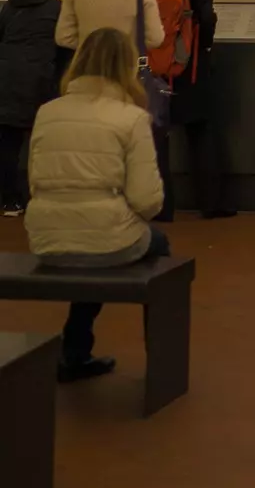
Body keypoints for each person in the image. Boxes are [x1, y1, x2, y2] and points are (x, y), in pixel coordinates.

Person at [25, 27, 170, 383]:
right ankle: (163, 359)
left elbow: (33, 182)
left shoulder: (47, 112)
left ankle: (76, 351)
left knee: (90, 239)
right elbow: (148, 202)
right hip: (107, 240)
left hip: (46, 239)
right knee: (156, 244)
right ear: (125, 67)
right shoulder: (131, 117)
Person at [143, 0, 235, 220]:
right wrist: (203, 49)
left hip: (152, 71)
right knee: (201, 133)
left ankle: (160, 206)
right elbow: (207, 19)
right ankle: (211, 203)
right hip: (190, 69)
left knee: (156, 138)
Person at [0, 0, 62, 214]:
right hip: (40, 84)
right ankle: (42, 199)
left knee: (7, 145)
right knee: (43, 145)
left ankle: (10, 200)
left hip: (4, 81)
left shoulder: (9, 8)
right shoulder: (57, 9)